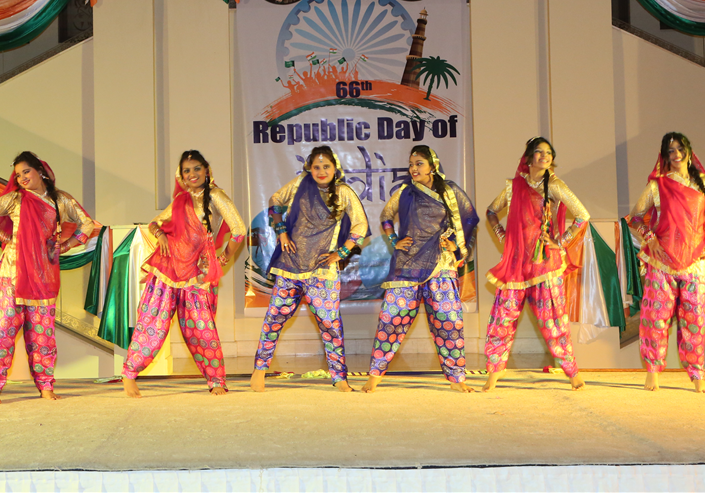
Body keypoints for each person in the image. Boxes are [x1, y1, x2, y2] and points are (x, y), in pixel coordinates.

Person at [0, 151, 98, 404]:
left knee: (42, 335)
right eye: (18, 175)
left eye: (26, 171)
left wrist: (67, 245)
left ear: (40, 171)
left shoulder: (60, 200)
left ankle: (45, 385)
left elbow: (87, 224)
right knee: (1, 331)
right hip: (11, 274)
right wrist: (5, 237)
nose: (22, 178)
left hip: (43, 275)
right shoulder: (16, 199)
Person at [122, 151, 247, 397]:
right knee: (151, 323)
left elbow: (239, 230)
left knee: (202, 329)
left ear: (207, 170)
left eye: (197, 168)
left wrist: (222, 259)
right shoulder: (181, 199)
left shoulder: (216, 196)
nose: (192, 174)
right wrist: (160, 235)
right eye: (187, 170)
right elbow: (154, 223)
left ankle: (216, 380)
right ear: (181, 175)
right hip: (167, 269)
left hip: (197, 274)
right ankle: (129, 373)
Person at [251, 145, 369, 392]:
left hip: (322, 270)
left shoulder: (344, 192)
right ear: (309, 169)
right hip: (290, 266)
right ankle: (259, 370)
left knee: (330, 325)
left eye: (326, 166)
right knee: (274, 319)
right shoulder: (300, 184)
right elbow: (275, 200)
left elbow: (360, 225)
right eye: (316, 167)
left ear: (335, 168)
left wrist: (341, 253)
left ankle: (339, 378)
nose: (321, 171)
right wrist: (281, 231)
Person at [363, 145, 479, 393]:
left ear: (432, 166)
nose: (413, 168)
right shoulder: (405, 192)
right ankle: (375, 375)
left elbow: (470, 218)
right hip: (407, 266)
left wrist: (456, 246)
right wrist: (394, 240)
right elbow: (386, 215)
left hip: (440, 264)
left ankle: (457, 378)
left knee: (448, 322)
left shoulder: (449, 191)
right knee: (391, 320)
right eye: (411, 164)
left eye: (419, 164)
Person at [626, 132, 705, 393]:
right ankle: (652, 371)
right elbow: (636, 217)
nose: (676, 154)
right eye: (670, 150)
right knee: (655, 318)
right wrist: (650, 238)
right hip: (661, 262)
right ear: (664, 156)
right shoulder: (658, 186)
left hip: (695, 263)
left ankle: (697, 373)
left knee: (694, 319)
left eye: (679, 148)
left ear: (689, 151)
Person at [482, 137, 589, 392]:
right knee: (501, 321)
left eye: (549, 152)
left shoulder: (555, 185)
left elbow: (582, 216)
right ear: (529, 157)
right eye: (539, 152)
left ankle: (572, 373)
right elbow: (491, 211)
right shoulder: (513, 187)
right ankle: (494, 373)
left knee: (554, 322)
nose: (545, 156)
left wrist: (560, 242)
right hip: (515, 265)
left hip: (544, 265)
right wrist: (503, 236)